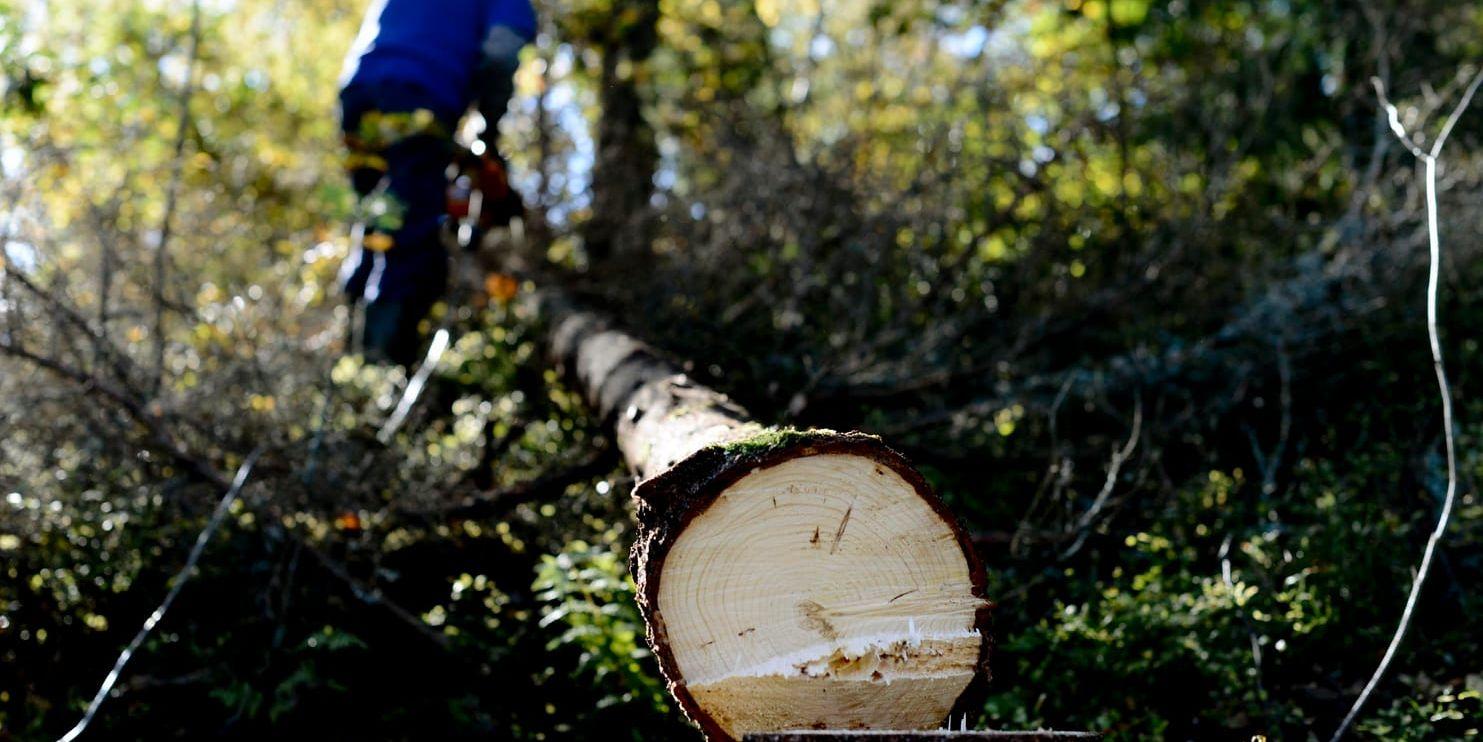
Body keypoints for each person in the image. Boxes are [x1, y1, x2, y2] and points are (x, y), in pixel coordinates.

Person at [336, 0, 535, 366]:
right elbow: (501, 52)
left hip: (359, 94)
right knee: (412, 237)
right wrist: (489, 126)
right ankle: (379, 367)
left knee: (377, 223)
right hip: (421, 96)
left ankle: (348, 352)